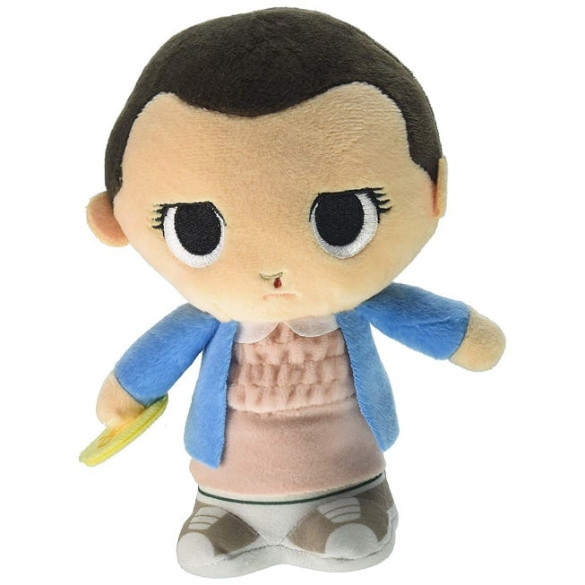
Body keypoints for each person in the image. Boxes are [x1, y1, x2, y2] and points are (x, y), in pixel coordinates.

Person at [86, 8, 505, 577]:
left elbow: (435, 324)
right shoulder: (204, 318)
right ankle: (225, 516)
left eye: (342, 218)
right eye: (196, 229)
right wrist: (124, 398)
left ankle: (354, 505)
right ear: (113, 220)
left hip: (347, 470)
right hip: (227, 480)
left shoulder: (360, 302)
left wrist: (467, 339)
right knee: (211, 539)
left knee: (347, 525)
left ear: (435, 192)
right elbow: (151, 364)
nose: (272, 269)